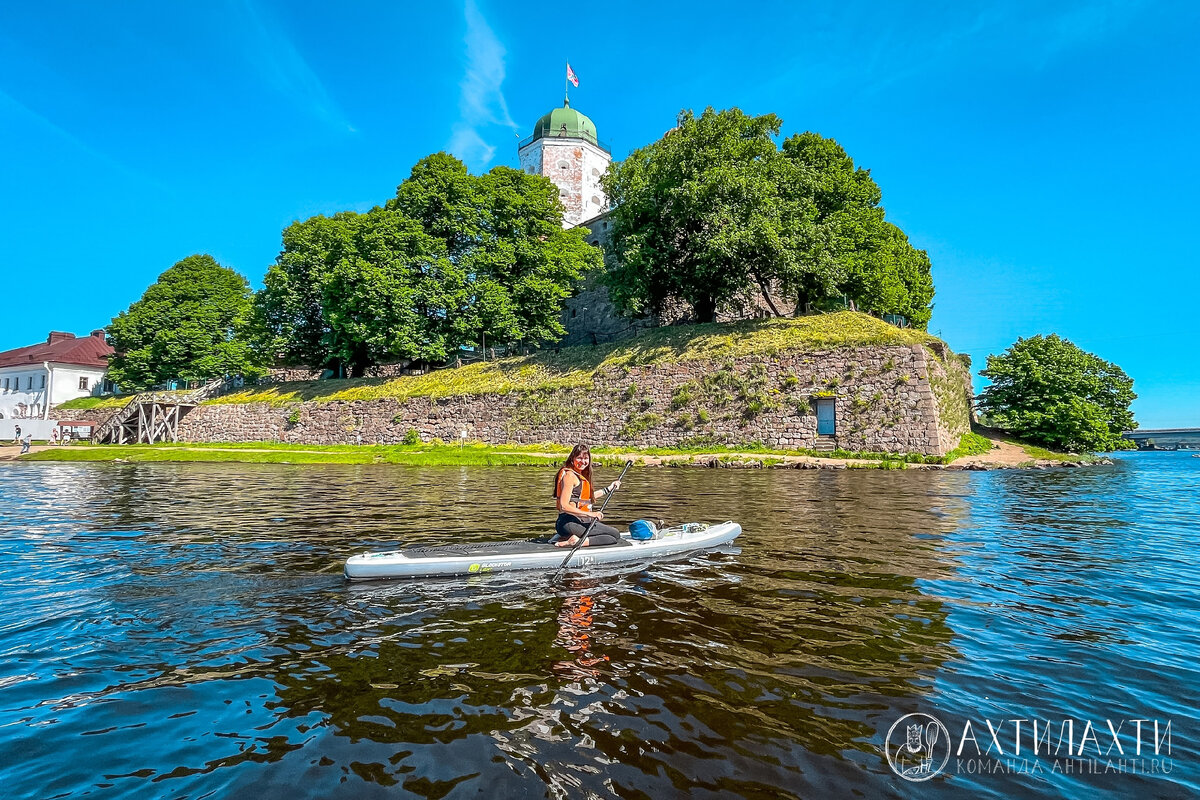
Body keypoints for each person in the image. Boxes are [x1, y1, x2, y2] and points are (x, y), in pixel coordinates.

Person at [552, 444, 622, 548]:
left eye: (586, 458)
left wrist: (609, 488)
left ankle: (567, 537)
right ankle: (573, 542)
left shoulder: (579, 474)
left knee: (614, 534)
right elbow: (564, 506)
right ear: (573, 458)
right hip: (568, 523)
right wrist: (591, 514)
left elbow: (586, 499)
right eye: (579, 458)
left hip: (578, 522)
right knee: (612, 537)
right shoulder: (569, 476)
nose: (583, 461)